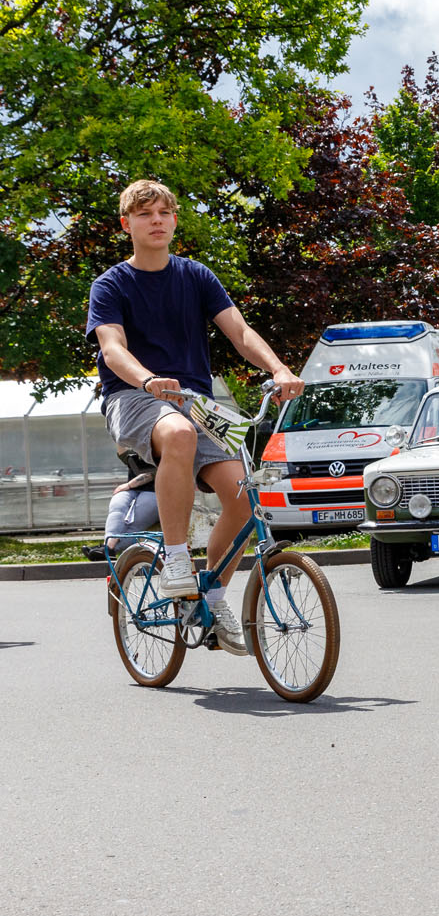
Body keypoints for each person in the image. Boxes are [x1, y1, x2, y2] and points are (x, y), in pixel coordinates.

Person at [85, 179, 304, 655]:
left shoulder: (195, 276)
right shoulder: (111, 284)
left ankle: (211, 598)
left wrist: (279, 367)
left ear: (175, 220)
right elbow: (112, 347)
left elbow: (240, 332)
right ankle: (179, 561)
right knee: (178, 434)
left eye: (164, 212)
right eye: (145, 215)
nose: (156, 220)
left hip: (195, 401)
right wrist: (147, 380)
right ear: (127, 224)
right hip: (134, 398)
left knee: (243, 497)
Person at [82, 450, 160, 562]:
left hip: (156, 491)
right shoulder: (137, 441)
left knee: (134, 523)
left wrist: (129, 485)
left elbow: (154, 472)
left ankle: (108, 550)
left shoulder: (164, 442)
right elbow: (123, 453)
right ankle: (108, 547)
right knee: (117, 506)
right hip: (133, 489)